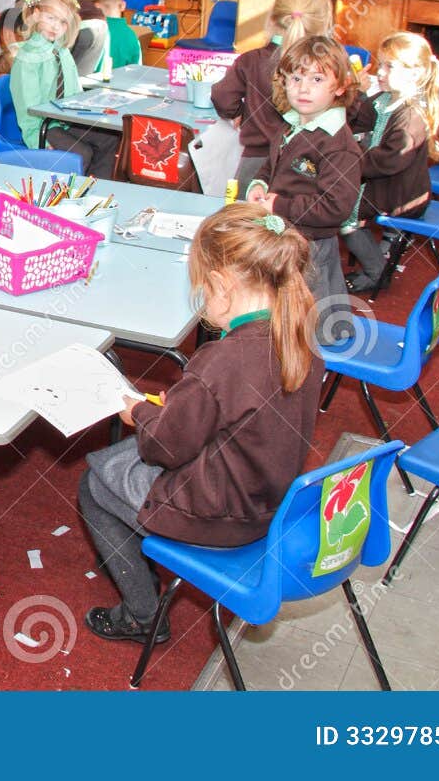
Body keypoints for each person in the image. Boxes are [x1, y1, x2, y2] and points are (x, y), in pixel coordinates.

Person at [78, 202, 322, 642]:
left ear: (222, 285)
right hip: (269, 497)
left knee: (95, 484)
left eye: (203, 290)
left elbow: (165, 449)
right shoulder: (300, 334)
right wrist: (186, 407)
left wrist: (140, 413)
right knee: (116, 460)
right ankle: (137, 552)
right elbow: (242, 413)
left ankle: (142, 615)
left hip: (221, 514)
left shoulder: (222, 361)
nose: (204, 301)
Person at [246, 35, 362, 341]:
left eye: (317, 79)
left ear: (339, 87)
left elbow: (336, 207)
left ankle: (311, 372)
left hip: (311, 248)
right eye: (295, 78)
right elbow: (273, 165)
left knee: (311, 329)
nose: (303, 87)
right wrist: (259, 184)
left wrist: (279, 205)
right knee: (282, 316)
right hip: (286, 238)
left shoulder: (337, 144)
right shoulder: (292, 123)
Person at [343, 32, 439, 292]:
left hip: (401, 194)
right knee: (332, 195)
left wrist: (347, 159)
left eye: (389, 66)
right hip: (386, 184)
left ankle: (377, 271)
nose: (380, 72)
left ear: (415, 73)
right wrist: (358, 95)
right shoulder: (385, 100)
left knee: (341, 212)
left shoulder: (411, 115)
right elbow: (356, 124)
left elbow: (389, 162)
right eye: (381, 64)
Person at [212, 0, 335, 187]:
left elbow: (222, 96)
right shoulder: (328, 67)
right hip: (307, 169)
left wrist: (241, 112)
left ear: (273, 18)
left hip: (254, 165)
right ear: (324, 23)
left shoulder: (251, 60)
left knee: (246, 218)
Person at [9, 0, 120, 177]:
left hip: (66, 120)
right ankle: (71, 197)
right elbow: (27, 112)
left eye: (62, 22)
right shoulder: (27, 58)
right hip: (43, 125)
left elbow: (73, 93)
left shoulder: (62, 51)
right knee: (81, 154)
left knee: (110, 139)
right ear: (36, 15)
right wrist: (40, 141)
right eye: (50, 18)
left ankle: (97, 192)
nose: (56, 26)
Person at [91, 0, 143, 70]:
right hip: (122, 83)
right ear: (123, 6)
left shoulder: (91, 31)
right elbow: (137, 71)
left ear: (96, 6)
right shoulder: (132, 36)